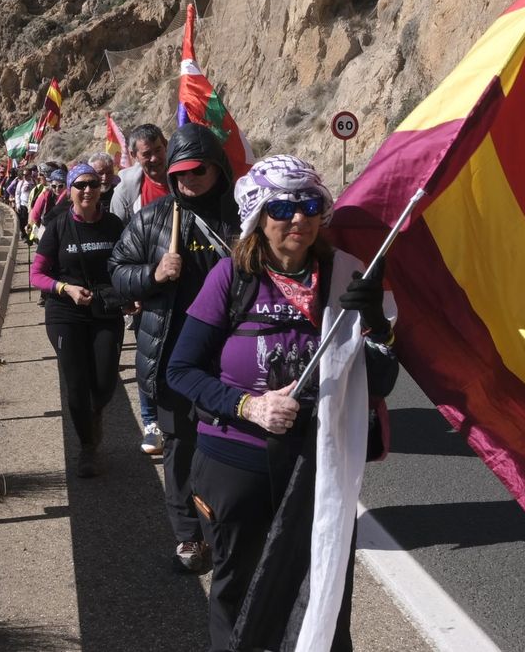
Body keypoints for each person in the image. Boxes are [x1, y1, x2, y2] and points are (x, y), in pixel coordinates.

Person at [165, 155, 398, 652]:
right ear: (258, 217)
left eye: (311, 204)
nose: (299, 218)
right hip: (236, 461)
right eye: (283, 208)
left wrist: (375, 322)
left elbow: (382, 379)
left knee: (322, 587)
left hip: (318, 462)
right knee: (241, 591)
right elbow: (180, 371)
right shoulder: (231, 277)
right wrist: (249, 407)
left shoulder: (347, 278)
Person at [109, 123, 239, 573]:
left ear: (218, 169)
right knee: (181, 448)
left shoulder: (244, 217)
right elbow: (117, 271)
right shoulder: (153, 218)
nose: (187, 181)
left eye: (197, 171)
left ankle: (227, 527)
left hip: (232, 359)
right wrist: (153, 275)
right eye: (179, 174)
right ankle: (188, 535)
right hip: (172, 358)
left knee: (230, 446)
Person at [29, 164, 129, 477]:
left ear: (101, 188)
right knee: (76, 383)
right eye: (80, 185)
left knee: (103, 383)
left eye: (93, 185)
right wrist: (65, 288)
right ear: (69, 190)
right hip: (65, 312)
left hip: (104, 310)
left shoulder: (114, 225)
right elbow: (36, 275)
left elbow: (128, 264)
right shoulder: (58, 227)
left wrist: (132, 294)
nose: (87, 190)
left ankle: (95, 411)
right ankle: (87, 448)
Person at [110, 123, 171, 456]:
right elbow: (117, 248)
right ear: (133, 156)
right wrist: (127, 291)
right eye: (145, 154)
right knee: (150, 355)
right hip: (148, 287)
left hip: (187, 285)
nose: (154, 159)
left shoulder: (185, 174)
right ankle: (151, 422)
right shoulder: (128, 190)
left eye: (158, 150)